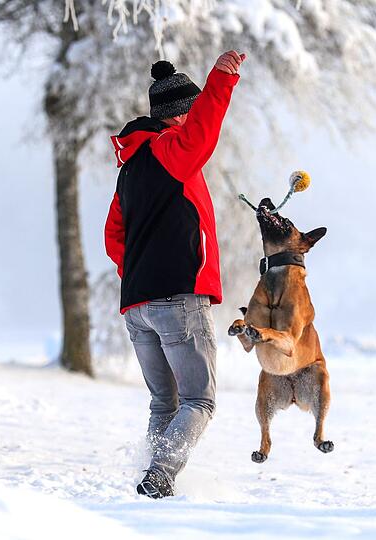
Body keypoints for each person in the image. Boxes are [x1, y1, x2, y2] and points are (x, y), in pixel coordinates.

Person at [104, 50, 245, 498]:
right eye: (191, 109)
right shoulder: (171, 151)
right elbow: (204, 129)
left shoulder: (130, 171)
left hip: (137, 306)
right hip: (177, 301)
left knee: (165, 401)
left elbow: (114, 237)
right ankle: (160, 475)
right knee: (199, 399)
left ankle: (153, 478)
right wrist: (221, 79)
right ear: (179, 116)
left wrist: (141, 274)